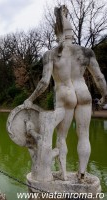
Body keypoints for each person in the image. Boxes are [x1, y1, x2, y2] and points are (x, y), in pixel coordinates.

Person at [24, 5, 107, 181]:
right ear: (73, 33)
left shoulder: (50, 55)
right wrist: (105, 94)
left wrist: (30, 100)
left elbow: (44, 82)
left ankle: (62, 174)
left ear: (57, 34)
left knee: (62, 136)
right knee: (84, 135)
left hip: (65, 94)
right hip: (82, 92)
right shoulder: (86, 52)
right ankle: (82, 173)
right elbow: (99, 77)